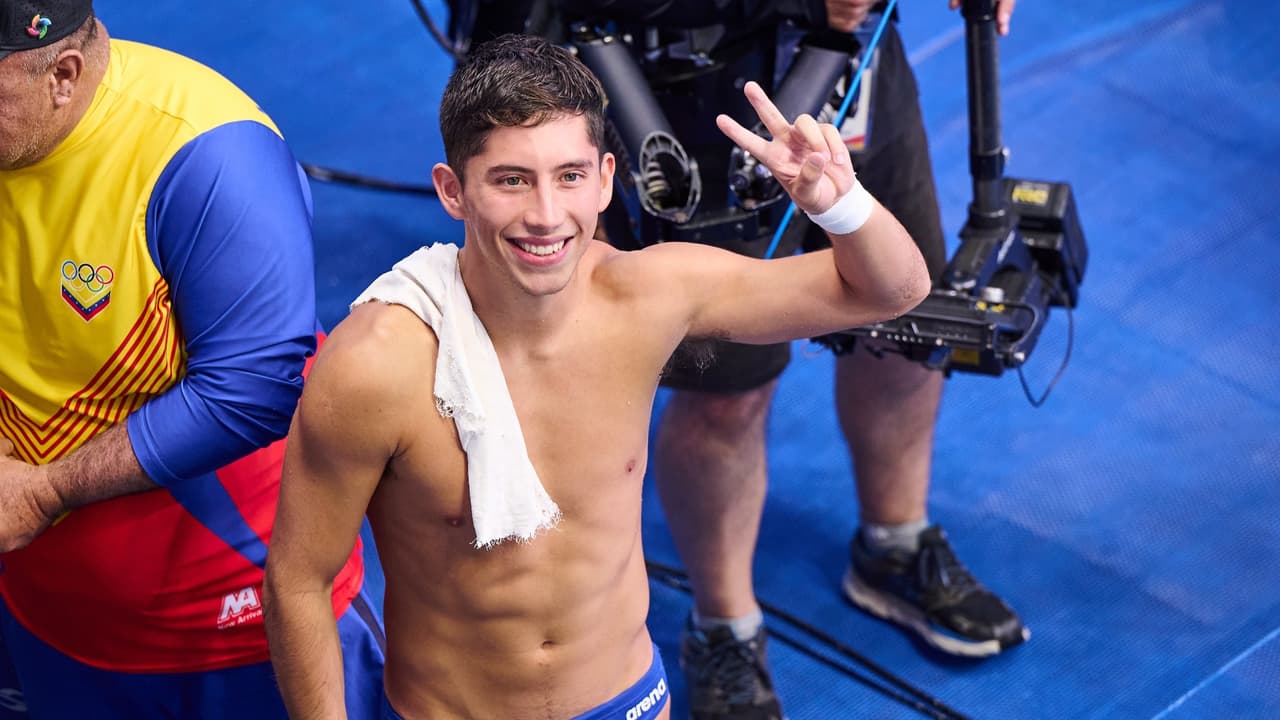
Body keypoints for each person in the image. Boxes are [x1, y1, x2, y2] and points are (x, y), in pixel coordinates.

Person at [263, 32, 929, 720]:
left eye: (570, 176)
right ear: (452, 190)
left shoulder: (647, 297)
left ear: (606, 179)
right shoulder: (377, 364)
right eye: (511, 180)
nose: (546, 216)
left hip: (628, 700)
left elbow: (893, 290)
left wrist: (836, 203)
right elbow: (298, 580)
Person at [533, 1, 1028, 718]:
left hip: (855, 61)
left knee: (906, 327)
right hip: (696, 88)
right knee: (727, 394)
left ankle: (893, 542)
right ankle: (724, 625)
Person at [0, 1, 384, 717]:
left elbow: (251, 390)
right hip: (47, 608)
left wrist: (43, 491)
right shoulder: (16, 125)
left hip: (231, 619)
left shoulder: (206, 156)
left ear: (64, 74)